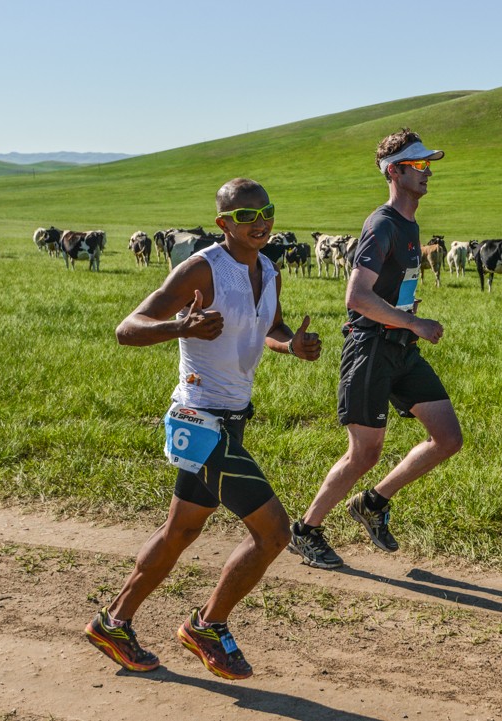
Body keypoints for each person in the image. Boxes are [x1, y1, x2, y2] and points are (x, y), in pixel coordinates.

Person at [84, 178, 321, 680]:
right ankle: (208, 626)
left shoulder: (271, 268)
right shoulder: (202, 268)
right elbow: (127, 329)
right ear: (223, 223)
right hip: (198, 419)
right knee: (275, 533)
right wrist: (180, 327)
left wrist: (291, 346)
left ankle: (113, 622)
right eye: (245, 216)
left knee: (182, 530)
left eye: (267, 212)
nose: (260, 222)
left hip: (231, 421)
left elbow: (271, 327)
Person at [288, 128, 463, 569]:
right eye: (419, 165)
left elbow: (385, 291)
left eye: (429, 165)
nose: (428, 173)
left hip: (400, 348)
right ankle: (305, 531)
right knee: (365, 452)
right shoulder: (382, 223)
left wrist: (405, 312)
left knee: (447, 438)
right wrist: (415, 322)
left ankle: (373, 503)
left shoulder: (410, 223)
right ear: (394, 171)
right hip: (369, 348)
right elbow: (357, 297)